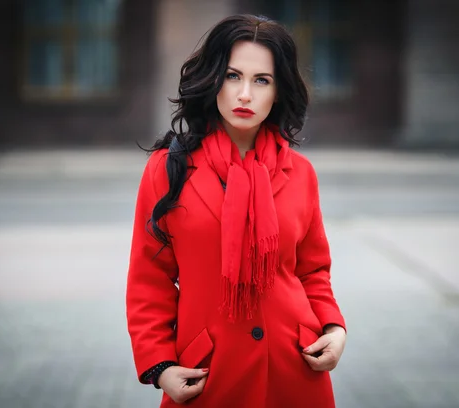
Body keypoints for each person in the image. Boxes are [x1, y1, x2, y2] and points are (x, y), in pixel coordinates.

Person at [126, 14, 347, 408]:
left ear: (278, 92)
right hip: (208, 376)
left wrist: (334, 328)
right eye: (233, 76)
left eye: (261, 80)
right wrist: (161, 367)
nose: (245, 94)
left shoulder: (301, 174)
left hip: (294, 372)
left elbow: (312, 270)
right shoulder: (167, 168)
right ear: (213, 80)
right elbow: (150, 278)